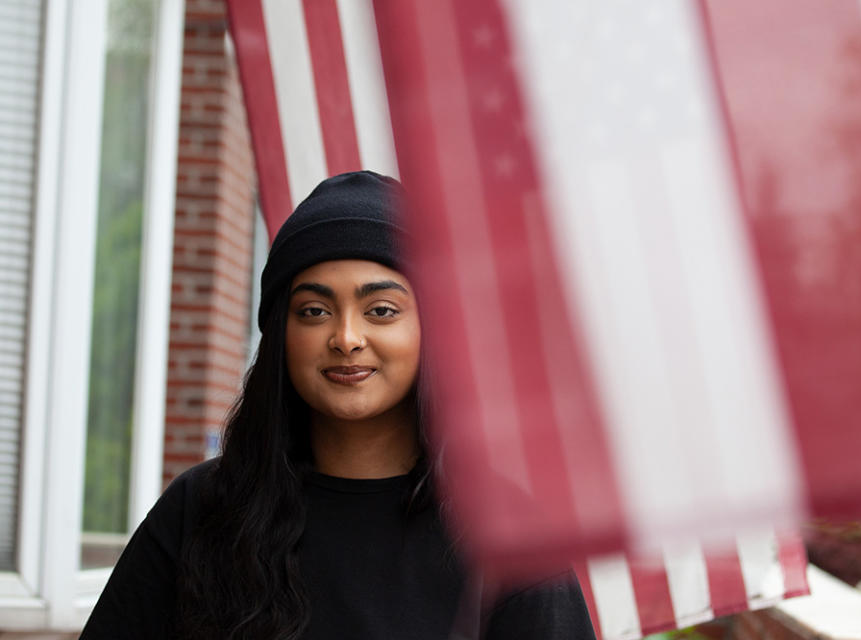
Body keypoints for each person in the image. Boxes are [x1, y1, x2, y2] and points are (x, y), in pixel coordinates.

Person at [80, 171, 596, 639]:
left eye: (382, 310)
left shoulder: (513, 543)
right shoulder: (202, 510)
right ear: (281, 334)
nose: (346, 337)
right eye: (314, 310)